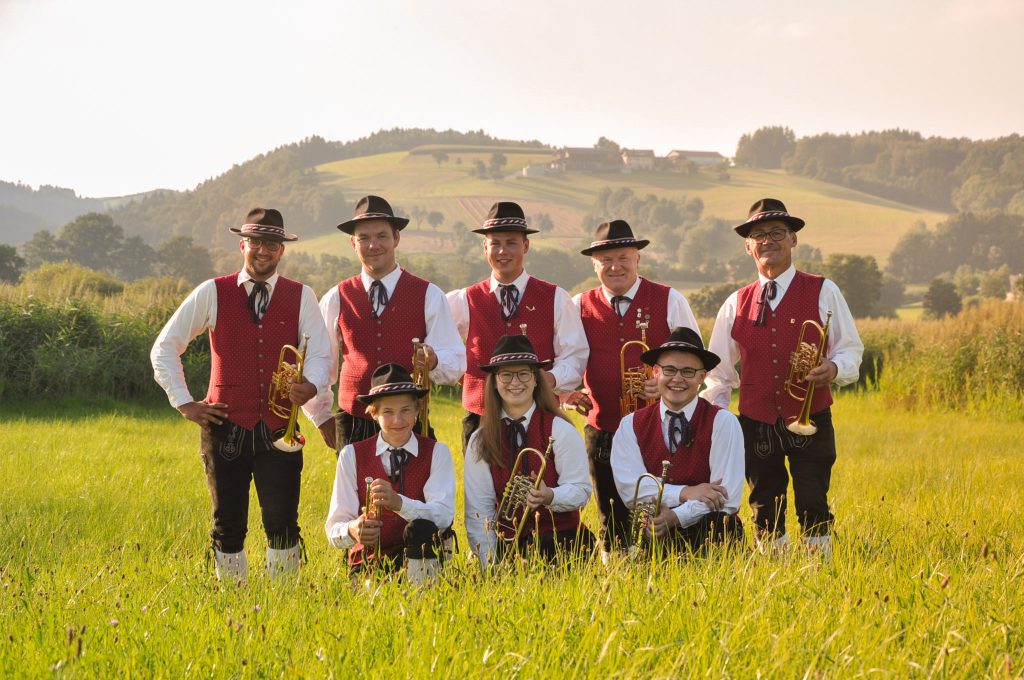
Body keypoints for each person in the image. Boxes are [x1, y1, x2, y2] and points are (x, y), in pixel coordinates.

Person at [151, 208, 331, 582]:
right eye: (256, 242)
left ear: (282, 250)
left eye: (272, 243)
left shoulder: (302, 295)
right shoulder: (212, 291)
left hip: (280, 426)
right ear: (242, 245)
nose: (263, 250)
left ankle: (283, 599)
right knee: (227, 521)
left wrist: (312, 383)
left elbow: (320, 354)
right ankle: (232, 599)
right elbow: (165, 346)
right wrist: (184, 402)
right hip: (225, 426)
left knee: (282, 521)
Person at [703, 198, 864, 557]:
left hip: (812, 413)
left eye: (777, 232)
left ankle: (818, 570)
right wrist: (716, 421)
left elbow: (850, 349)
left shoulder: (824, 290)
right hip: (756, 421)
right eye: (759, 235)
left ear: (793, 239)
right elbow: (718, 373)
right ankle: (773, 570)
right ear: (748, 247)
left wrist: (833, 369)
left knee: (813, 501)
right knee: (764, 505)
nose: (768, 241)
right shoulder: (735, 302)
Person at [565, 219, 700, 557]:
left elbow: (696, 361)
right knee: (610, 511)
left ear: (637, 259)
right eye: (606, 260)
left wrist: (666, 385)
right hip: (603, 428)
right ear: (594, 265)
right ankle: (616, 571)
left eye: (623, 258)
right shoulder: (578, 304)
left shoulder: (669, 299)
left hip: (659, 427)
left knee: (660, 506)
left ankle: (665, 565)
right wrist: (566, 394)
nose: (615, 266)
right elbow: (565, 358)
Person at [303, 195, 465, 450]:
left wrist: (434, 361)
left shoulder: (429, 294)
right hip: (353, 422)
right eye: (364, 238)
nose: (373, 245)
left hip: (409, 422)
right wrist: (321, 416)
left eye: (381, 236)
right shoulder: (336, 297)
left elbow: (456, 360)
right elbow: (320, 361)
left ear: (396, 238)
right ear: (353, 243)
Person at [447, 201, 588, 451]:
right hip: (480, 417)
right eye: (495, 243)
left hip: (539, 413)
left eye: (511, 242)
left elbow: (575, 355)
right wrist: (464, 376)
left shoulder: (556, 298)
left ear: (526, 246)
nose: (503, 251)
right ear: (485, 247)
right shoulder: (462, 300)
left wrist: (549, 379)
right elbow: (440, 347)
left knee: (540, 477)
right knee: (481, 478)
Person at [463, 335, 595, 569]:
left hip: (562, 543)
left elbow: (581, 490)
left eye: (524, 373)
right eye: (506, 375)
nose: (515, 382)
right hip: (510, 547)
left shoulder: (560, 429)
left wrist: (550, 496)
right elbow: (479, 511)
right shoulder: (479, 439)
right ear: (494, 382)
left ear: (536, 380)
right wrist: (490, 565)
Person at [611, 327, 744, 551]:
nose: (678, 379)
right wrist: (684, 493)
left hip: (713, 538)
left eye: (688, 372)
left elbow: (726, 498)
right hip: (651, 535)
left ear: (702, 377)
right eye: (669, 370)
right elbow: (631, 490)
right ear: (656, 372)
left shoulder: (724, 422)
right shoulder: (630, 424)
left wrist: (676, 516)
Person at [324, 363, 456, 585]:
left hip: (423, 557)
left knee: (421, 527)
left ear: (417, 410)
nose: (398, 420)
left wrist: (399, 503)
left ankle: (422, 593)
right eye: (388, 412)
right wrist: (352, 530)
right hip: (368, 561)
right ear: (373, 413)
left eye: (405, 410)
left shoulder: (437, 452)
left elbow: (443, 515)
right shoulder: (351, 455)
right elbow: (333, 528)